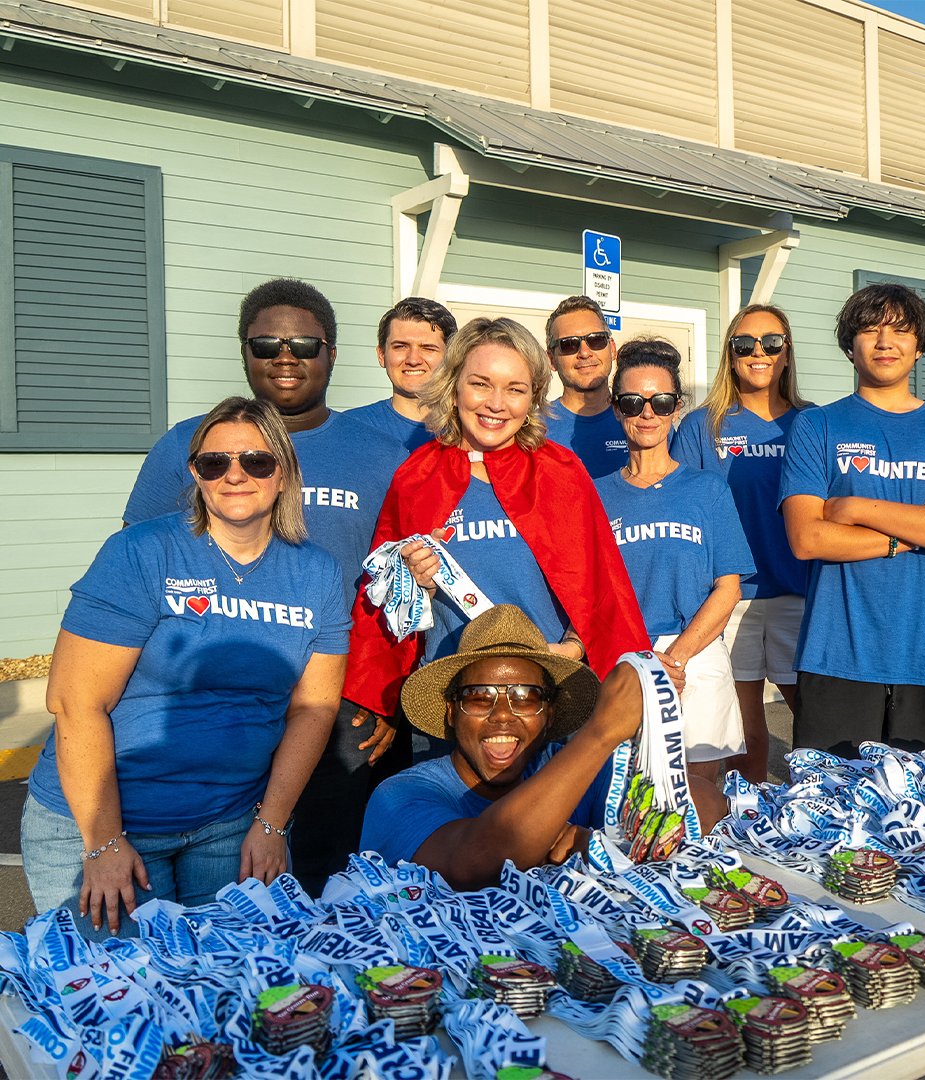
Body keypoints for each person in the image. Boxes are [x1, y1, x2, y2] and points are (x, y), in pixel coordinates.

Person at [23, 398, 350, 939]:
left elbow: (314, 709)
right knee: (118, 1006)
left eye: (256, 461)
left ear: (285, 471)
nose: (235, 475)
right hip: (102, 826)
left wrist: (271, 825)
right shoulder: (141, 553)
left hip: (229, 826)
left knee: (227, 996)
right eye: (214, 463)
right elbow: (76, 701)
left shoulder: (316, 572)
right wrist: (102, 843)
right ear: (195, 472)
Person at [122, 279, 407, 895]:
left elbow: (408, 583)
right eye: (266, 343)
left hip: (336, 702)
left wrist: (384, 691)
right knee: (224, 891)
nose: (286, 356)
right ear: (244, 352)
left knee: (321, 875)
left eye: (304, 343)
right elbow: (135, 570)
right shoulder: (189, 446)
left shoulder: (384, 455)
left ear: (332, 353)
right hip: (218, 701)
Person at [342, 316, 650, 758]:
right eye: (481, 384)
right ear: (454, 386)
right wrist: (415, 586)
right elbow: (382, 597)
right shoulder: (417, 476)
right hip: (453, 704)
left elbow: (601, 585)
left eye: (515, 389)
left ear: (533, 398)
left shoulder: (561, 472)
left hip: (545, 699)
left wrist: (572, 649)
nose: (496, 404)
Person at [359, 606, 726, 887]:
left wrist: (605, 842)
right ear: (452, 713)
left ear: (549, 714)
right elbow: (471, 864)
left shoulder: (574, 768)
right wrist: (599, 734)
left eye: (525, 696)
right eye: (479, 696)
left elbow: (708, 807)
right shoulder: (399, 795)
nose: (502, 715)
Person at [778, 283, 925, 758]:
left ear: (919, 346)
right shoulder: (817, 426)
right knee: (829, 817)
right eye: (869, 330)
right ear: (850, 346)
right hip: (837, 656)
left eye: (899, 330)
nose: (884, 341)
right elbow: (808, 537)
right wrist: (922, 528)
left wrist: (853, 510)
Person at [595, 339, 754, 788]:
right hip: (624, 652)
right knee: (627, 787)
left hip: (696, 654)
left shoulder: (708, 489)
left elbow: (729, 587)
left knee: (701, 783)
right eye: (633, 402)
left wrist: (675, 660)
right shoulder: (594, 495)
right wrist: (644, 662)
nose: (647, 413)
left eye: (660, 402)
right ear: (616, 409)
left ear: (676, 409)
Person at [671, 304, 810, 783]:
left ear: (787, 354)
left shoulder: (812, 423)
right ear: (729, 356)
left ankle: (825, 813)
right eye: (744, 343)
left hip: (801, 590)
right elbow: (681, 511)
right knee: (745, 730)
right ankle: (752, 824)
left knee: (813, 718)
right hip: (733, 595)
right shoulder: (701, 426)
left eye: (772, 342)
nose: (758, 352)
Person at [351, 296, 458, 452]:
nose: (413, 360)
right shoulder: (352, 428)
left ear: (450, 357)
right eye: (401, 346)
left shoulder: (472, 434)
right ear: (381, 355)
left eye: (428, 348)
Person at [543, 295, 628, 478]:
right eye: (569, 344)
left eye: (596, 339)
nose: (584, 352)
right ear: (551, 359)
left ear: (612, 349)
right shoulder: (533, 429)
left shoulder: (643, 419)